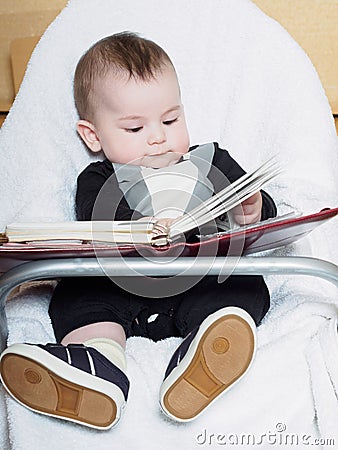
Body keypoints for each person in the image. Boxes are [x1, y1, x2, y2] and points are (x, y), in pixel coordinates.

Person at [0, 32, 277, 430]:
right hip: (120, 285)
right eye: (134, 128)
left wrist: (253, 206)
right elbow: (98, 220)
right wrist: (146, 227)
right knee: (77, 291)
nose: (158, 136)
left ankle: (204, 354)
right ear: (93, 135)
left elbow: (256, 203)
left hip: (198, 279)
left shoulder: (211, 160)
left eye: (170, 119)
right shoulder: (99, 176)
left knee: (241, 285)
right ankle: (98, 362)